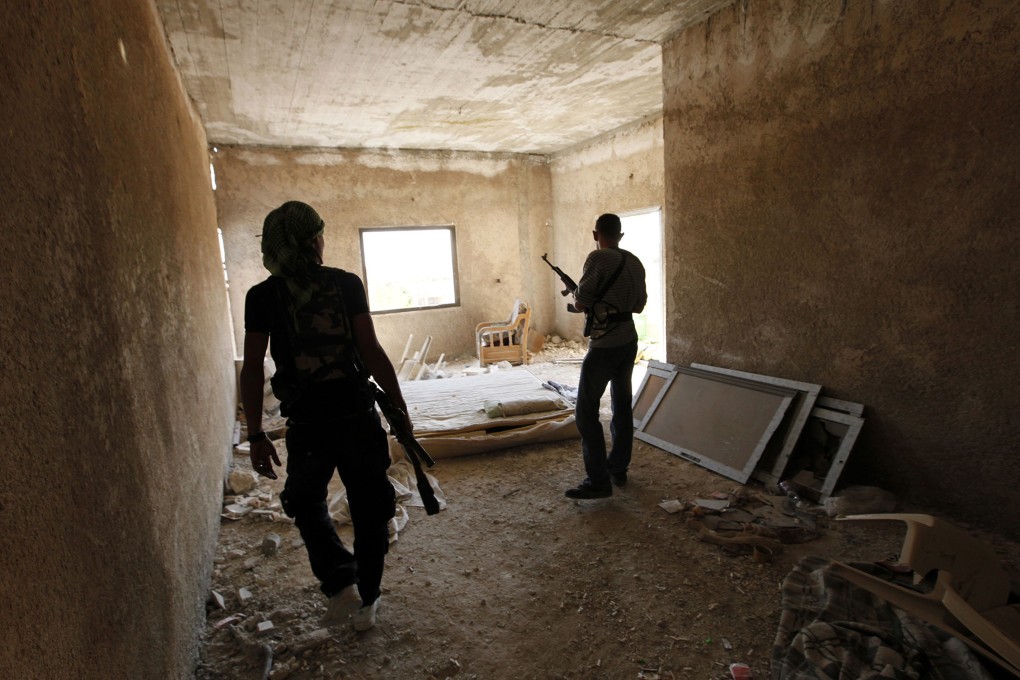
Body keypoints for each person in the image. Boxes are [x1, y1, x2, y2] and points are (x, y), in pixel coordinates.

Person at [239, 200, 411, 632]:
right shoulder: (346, 284)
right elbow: (370, 351)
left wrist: (256, 433)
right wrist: (399, 409)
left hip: (308, 422)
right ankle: (366, 596)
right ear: (314, 239)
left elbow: (254, 365)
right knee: (370, 508)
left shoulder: (262, 296)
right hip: (355, 414)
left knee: (306, 502)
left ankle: (341, 584)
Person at [565, 213, 647, 500]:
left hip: (604, 345)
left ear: (595, 234)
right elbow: (638, 305)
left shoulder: (596, 259)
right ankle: (618, 468)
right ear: (621, 236)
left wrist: (583, 301)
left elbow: (581, 300)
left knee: (585, 413)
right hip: (629, 341)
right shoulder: (635, 262)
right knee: (622, 406)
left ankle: (598, 481)